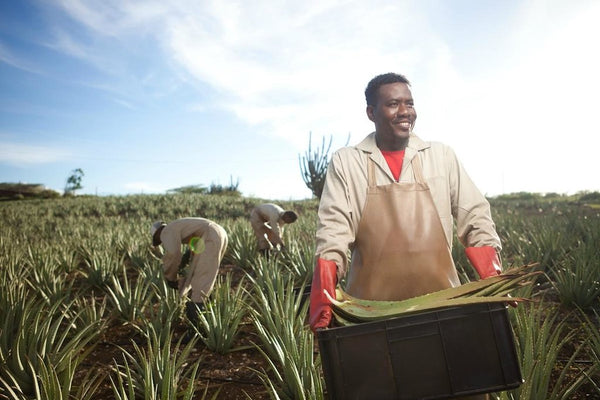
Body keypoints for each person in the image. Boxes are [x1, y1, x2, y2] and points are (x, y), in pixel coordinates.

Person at [150, 217, 228, 331]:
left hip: (210, 235)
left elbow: (173, 254)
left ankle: (196, 331)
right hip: (220, 233)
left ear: (157, 233)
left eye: (159, 239)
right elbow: (195, 244)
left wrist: (170, 277)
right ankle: (209, 320)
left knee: (201, 282)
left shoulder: (166, 231)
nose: (161, 241)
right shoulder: (179, 226)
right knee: (206, 278)